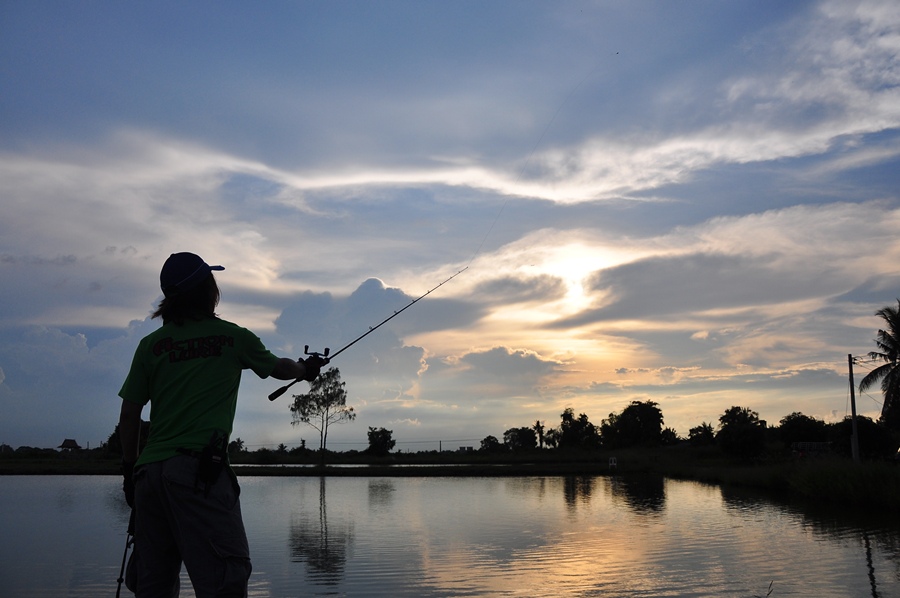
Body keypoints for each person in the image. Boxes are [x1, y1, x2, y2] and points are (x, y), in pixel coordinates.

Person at [118, 252, 326, 597]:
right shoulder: (232, 337)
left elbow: (129, 415)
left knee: (153, 585)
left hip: (148, 475)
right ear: (207, 291)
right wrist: (306, 369)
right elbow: (279, 368)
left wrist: (129, 472)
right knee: (223, 582)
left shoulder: (150, 346)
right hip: (199, 472)